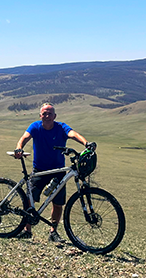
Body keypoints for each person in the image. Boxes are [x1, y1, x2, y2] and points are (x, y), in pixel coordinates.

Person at [14, 103, 95, 242]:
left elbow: (73, 134)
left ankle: (53, 232)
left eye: (49, 114)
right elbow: (24, 138)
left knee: (58, 203)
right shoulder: (35, 126)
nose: (47, 116)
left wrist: (86, 143)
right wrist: (19, 148)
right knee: (29, 200)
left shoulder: (61, 127)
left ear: (54, 116)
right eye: (44, 114)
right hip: (39, 170)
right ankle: (27, 230)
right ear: (40, 116)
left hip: (58, 171)